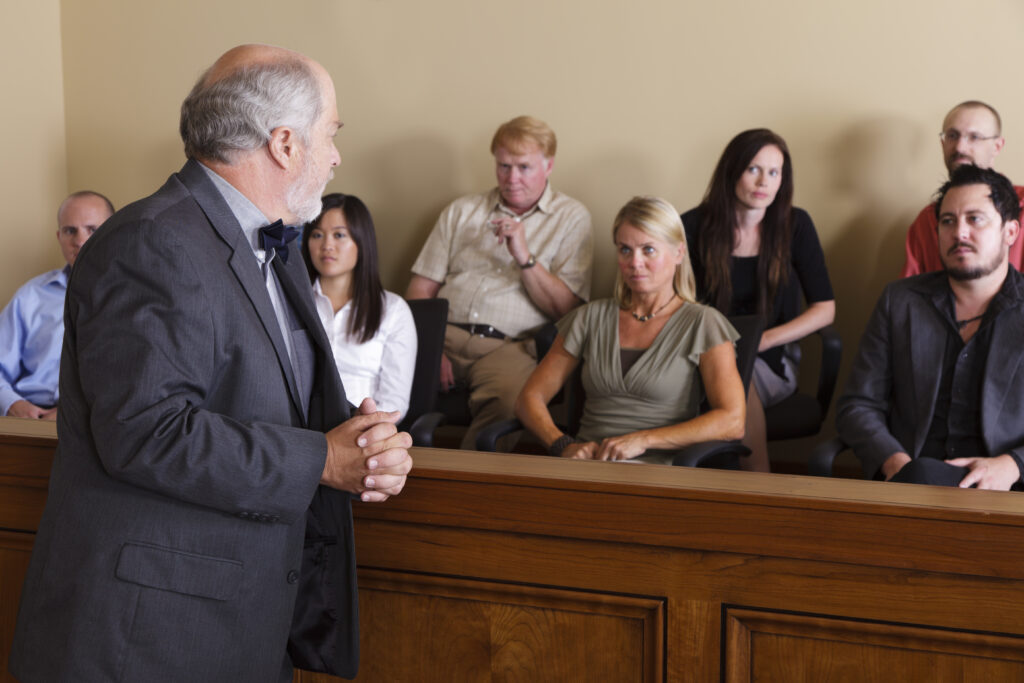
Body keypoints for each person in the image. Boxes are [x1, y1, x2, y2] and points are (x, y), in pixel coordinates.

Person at [10, 45, 412, 683]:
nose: (335, 155)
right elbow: (146, 430)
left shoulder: (266, 248)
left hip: (236, 618)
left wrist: (366, 447)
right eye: (331, 134)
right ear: (284, 143)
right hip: (148, 634)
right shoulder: (153, 240)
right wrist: (325, 461)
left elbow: (273, 401)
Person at [406, 115, 593, 450]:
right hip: (443, 334)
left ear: (548, 166)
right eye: (504, 166)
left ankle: (467, 488)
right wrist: (428, 346)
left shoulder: (571, 217)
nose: (512, 178)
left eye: (524, 167)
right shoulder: (462, 210)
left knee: (512, 403)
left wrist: (524, 257)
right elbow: (421, 290)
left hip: (507, 347)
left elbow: (568, 311)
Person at [515, 196, 745, 464]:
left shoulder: (704, 323)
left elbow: (733, 420)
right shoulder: (589, 318)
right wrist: (562, 444)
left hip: (657, 473)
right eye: (625, 250)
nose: (634, 263)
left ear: (678, 253)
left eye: (648, 250)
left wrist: (644, 440)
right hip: (587, 468)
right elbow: (528, 398)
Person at [839, 164, 1024, 490]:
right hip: (913, 484)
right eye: (948, 221)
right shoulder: (900, 301)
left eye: (975, 219)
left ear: (1010, 232)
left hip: (1005, 493)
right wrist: (894, 460)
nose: (959, 233)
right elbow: (858, 404)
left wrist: (1013, 465)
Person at [682, 128, 835, 472]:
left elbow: (825, 309)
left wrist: (762, 341)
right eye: (753, 169)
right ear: (732, 171)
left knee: (738, 376)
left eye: (774, 172)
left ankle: (757, 488)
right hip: (699, 356)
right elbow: (676, 304)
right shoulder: (692, 225)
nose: (763, 181)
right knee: (727, 370)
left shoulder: (795, 225)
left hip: (769, 361)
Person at [302, 192, 416, 420]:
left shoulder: (393, 310)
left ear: (361, 242)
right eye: (317, 235)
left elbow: (395, 401)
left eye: (339, 235)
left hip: (364, 429)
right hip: (300, 428)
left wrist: (364, 427)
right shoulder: (293, 302)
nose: (327, 245)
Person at [0, 191, 113, 420]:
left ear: (113, 234)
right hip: (28, 417)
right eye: (70, 230)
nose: (80, 241)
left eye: (92, 229)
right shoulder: (30, 296)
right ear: (58, 236)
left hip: (98, 423)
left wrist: (72, 414)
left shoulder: (133, 295)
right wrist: (13, 405)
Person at [902, 101, 1024, 277]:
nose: (959, 147)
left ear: (997, 146)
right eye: (952, 136)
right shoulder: (925, 221)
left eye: (974, 137)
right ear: (943, 144)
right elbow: (909, 298)